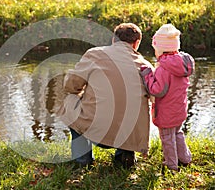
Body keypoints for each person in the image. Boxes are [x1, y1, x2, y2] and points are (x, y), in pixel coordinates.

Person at [58, 23, 153, 168]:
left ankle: (82, 159)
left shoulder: (95, 54)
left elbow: (71, 86)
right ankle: (124, 156)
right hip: (128, 135)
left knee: (69, 101)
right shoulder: (146, 66)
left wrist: (84, 94)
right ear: (137, 43)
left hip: (96, 130)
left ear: (113, 40)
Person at [140, 23, 194, 171]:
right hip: (180, 108)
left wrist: (147, 75)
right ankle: (185, 158)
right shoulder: (181, 64)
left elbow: (157, 90)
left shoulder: (164, 68)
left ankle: (172, 165)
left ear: (159, 49)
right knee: (178, 133)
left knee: (167, 138)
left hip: (166, 111)